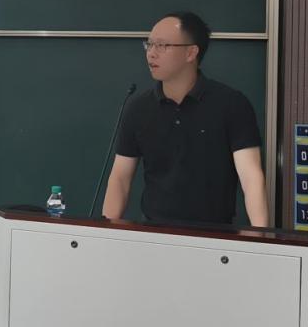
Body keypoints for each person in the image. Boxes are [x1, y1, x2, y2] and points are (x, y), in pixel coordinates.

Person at [101, 12, 269, 226]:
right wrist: (106, 232)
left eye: (162, 45)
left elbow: (251, 177)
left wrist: (260, 235)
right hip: (153, 231)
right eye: (149, 45)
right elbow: (120, 178)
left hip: (215, 233)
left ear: (191, 52)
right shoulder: (138, 108)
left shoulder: (231, 104)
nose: (151, 53)